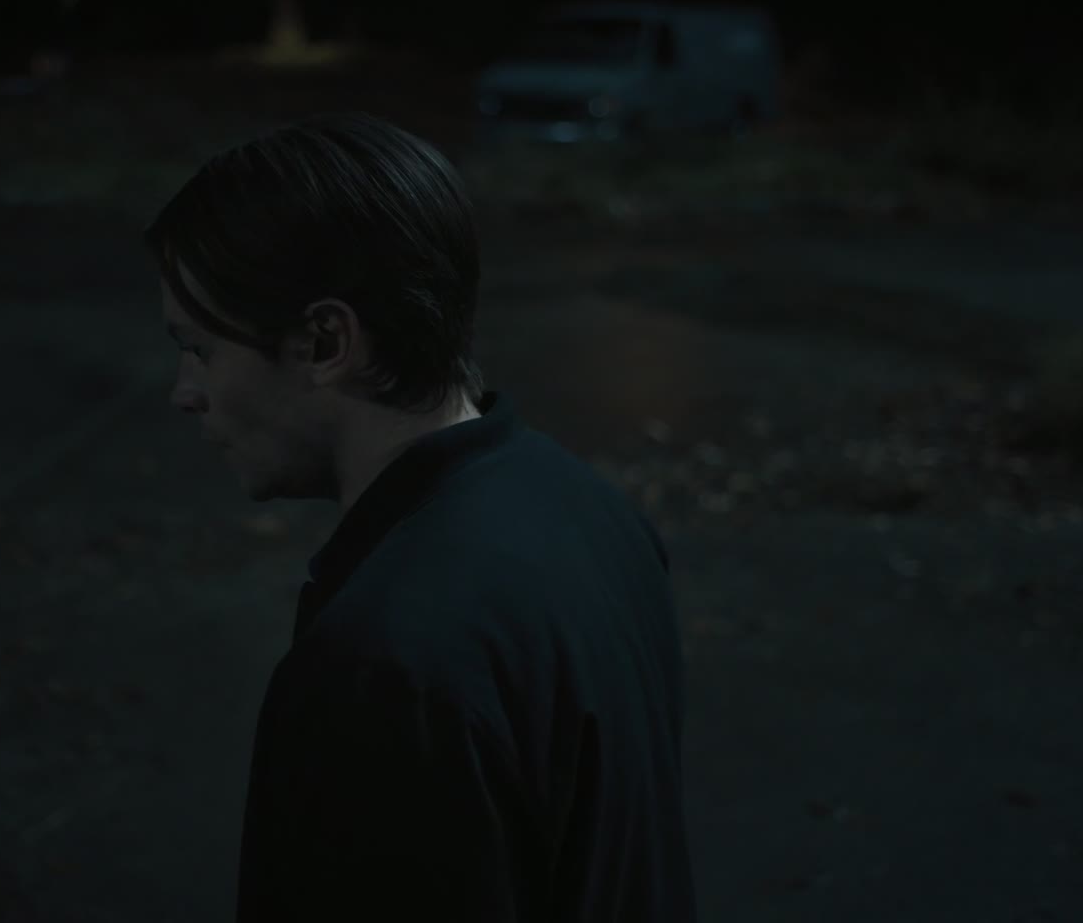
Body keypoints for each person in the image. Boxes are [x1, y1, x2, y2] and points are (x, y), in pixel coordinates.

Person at [143, 112, 694, 922]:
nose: (183, 392)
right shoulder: (592, 510)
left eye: (201, 349)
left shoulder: (383, 667)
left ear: (326, 341)